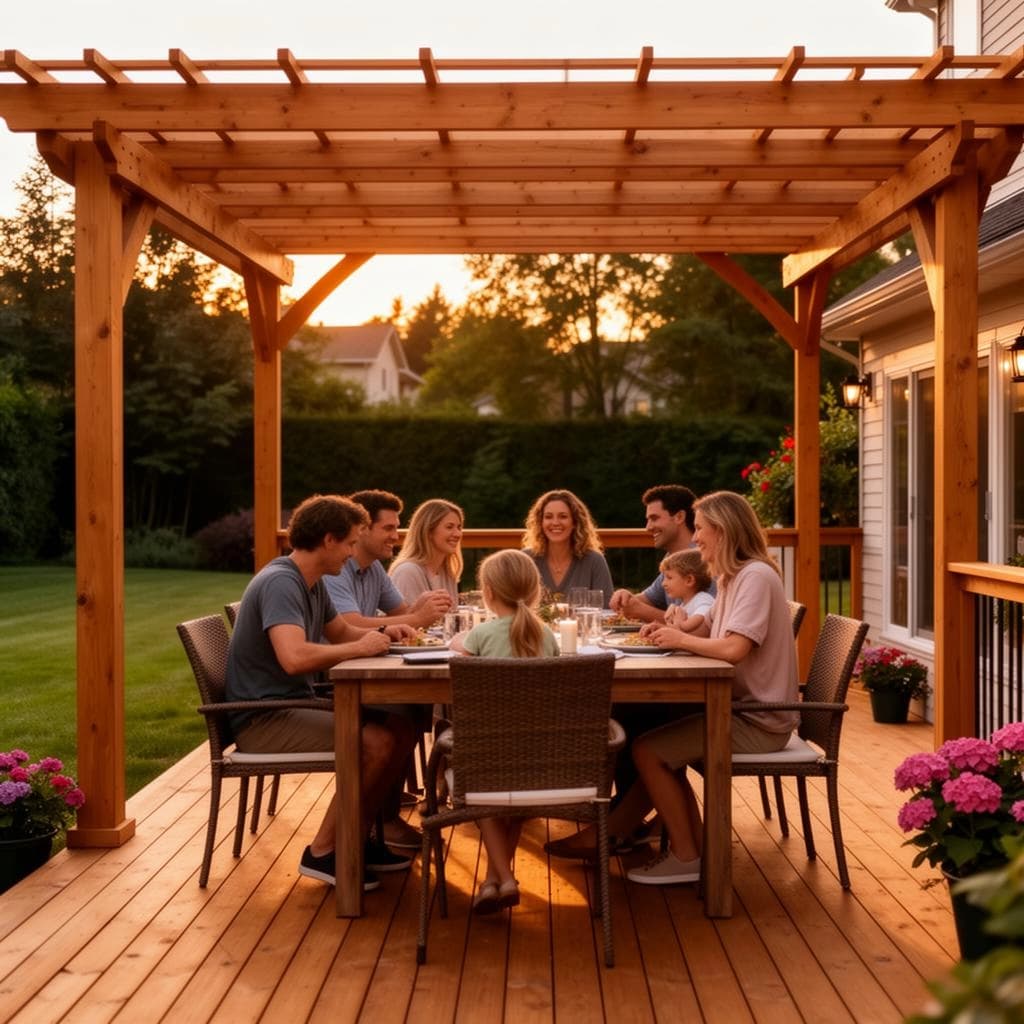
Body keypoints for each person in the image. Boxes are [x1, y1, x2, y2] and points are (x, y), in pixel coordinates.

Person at [225, 493, 418, 892]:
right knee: (378, 741)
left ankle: (358, 841)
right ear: (329, 540)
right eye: (349, 542)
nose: (352, 552)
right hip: (264, 717)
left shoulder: (310, 581)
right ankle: (326, 851)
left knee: (401, 726)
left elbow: (342, 632)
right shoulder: (282, 582)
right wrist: (359, 649)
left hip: (292, 704)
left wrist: (383, 632)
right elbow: (294, 658)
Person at [623, 490, 799, 884]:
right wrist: (673, 627)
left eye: (700, 529)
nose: (696, 537)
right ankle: (683, 845)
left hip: (759, 719)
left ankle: (685, 857)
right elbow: (706, 626)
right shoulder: (733, 576)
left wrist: (679, 641)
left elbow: (734, 648)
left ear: (723, 530)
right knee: (654, 739)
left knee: (648, 750)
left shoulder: (755, 576)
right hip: (739, 708)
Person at [324, 489, 453, 851]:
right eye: (389, 528)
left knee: (411, 712)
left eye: (397, 528)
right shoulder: (337, 569)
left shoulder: (375, 568)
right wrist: (418, 616)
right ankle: (375, 820)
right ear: (361, 529)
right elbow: (346, 622)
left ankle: (383, 817)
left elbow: (400, 613)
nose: (396, 536)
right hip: (331, 679)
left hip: (359, 667)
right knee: (399, 716)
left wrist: (420, 609)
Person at [450, 549, 559, 914]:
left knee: (479, 786)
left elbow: (457, 654)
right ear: (533, 591)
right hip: (542, 758)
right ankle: (494, 880)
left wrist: (457, 646)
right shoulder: (546, 636)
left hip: (488, 758)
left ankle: (505, 879)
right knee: (508, 792)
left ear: (488, 592)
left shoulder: (480, 634)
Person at [609, 484, 699, 624]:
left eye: (654, 518)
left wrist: (641, 611)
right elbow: (648, 599)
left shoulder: (703, 560)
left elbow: (701, 626)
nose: (648, 527)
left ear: (679, 517)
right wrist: (624, 596)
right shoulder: (671, 558)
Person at [521, 489, 614, 605]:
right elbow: (513, 608)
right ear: (540, 522)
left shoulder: (594, 560)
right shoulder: (525, 560)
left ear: (575, 522)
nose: (555, 522)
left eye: (563, 516)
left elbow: (606, 610)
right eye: (548, 517)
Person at [388, 498, 464, 606]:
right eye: (449, 527)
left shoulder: (447, 573)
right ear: (428, 531)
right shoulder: (407, 572)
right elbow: (405, 619)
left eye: (459, 527)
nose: (458, 534)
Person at [658, 549, 715, 636]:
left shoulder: (703, 598)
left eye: (669, 578)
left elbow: (701, 616)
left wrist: (680, 623)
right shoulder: (684, 604)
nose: (663, 584)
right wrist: (660, 627)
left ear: (689, 580)